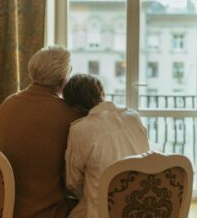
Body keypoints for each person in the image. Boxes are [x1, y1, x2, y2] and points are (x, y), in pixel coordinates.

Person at [0, 46, 83, 218]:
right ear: (64, 79)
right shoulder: (69, 115)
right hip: (46, 212)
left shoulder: (7, 104)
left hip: (3, 209)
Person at [63, 73, 150, 218]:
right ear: (102, 94)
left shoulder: (80, 129)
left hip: (103, 211)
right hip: (140, 205)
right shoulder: (134, 117)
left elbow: (73, 182)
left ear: (74, 107)